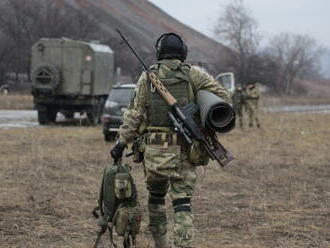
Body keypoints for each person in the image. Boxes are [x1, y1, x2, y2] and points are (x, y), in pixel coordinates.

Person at [110, 32, 230, 248]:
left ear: (159, 52)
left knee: (156, 199)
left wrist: (120, 143)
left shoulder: (146, 78)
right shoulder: (194, 74)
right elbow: (223, 98)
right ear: (183, 52)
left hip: (154, 150)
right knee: (182, 203)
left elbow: (134, 116)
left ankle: (161, 244)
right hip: (184, 149)